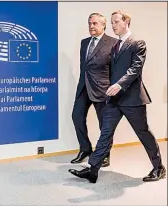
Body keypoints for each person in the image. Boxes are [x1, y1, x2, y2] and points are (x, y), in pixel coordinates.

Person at [68, 10, 166, 183]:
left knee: (143, 133)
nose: (113, 26)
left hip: (133, 99)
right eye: (111, 22)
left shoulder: (138, 43)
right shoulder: (115, 45)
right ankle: (93, 169)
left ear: (126, 21)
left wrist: (119, 84)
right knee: (105, 132)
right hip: (114, 100)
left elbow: (135, 69)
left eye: (115, 22)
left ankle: (159, 168)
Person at [71, 13, 117, 167]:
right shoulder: (84, 43)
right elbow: (83, 66)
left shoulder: (113, 43)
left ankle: (104, 155)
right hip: (84, 86)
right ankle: (85, 149)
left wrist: (113, 88)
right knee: (76, 116)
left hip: (103, 89)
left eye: (95, 23)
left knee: (105, 125)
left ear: (104, 25)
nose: (91, 26)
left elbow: (115, 70)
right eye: (89, 23)